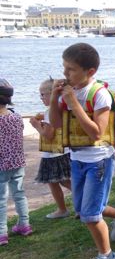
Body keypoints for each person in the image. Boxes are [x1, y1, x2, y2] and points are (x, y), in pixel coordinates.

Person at [49, 43, 115, 259]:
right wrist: (56, 97)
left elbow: (97, 132)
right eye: (64, 68)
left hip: (98, 161)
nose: (65, 74)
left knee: (89, 214)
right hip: (77, 159)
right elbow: (56, 125)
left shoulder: (99, 94)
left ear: (91, 71)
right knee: (82, 207)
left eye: (71, 69)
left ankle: (108, 257)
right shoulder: (70, 91)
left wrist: (73, 102)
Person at [29, 78, 72, 219]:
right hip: (64, 151)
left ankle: (64, 209)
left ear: (52, 94)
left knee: (60, 181)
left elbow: (48, 135)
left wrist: (36, 125)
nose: (41, 98)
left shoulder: (50, 112)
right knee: (59, 181)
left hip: (54, 154)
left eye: (43, 94)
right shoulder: (62, 107)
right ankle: (78, 206)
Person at [0, 78, 32, 246]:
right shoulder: (16, 117)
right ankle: (24, 225)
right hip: (18, 162)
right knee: (19, 194)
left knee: (0, 199)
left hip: (1, 165)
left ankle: (2, 233)